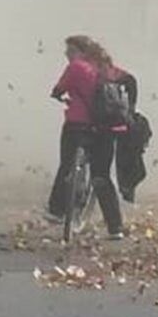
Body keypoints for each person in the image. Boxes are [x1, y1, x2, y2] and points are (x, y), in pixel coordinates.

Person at [46, 34, 136, 240]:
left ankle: (57, 210)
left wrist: (58, 93)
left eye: (70, 51)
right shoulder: (107, 68)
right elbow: (130, 81)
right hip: (106, 128)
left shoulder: (76, 67)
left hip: (78, 125)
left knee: (67, 165)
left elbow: (60, 88)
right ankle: (115, 227)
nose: (67, 55)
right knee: (101, 175)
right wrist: (129, 109)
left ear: (81, 52)